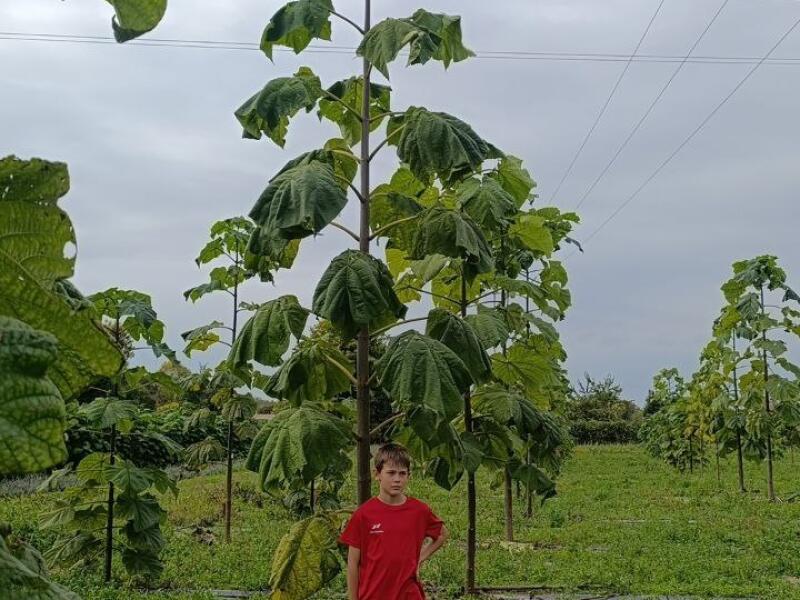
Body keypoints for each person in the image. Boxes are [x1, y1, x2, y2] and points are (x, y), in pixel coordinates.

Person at [339, 443, 449, 600]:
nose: (397, 479)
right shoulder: (363, 514)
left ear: (408, 476)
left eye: (402, 474)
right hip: (373, 595)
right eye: (391, 473)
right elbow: (352, 564)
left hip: (409, 594)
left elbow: (442, 535)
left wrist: (419, 559)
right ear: (377, 474)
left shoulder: (419, 511)